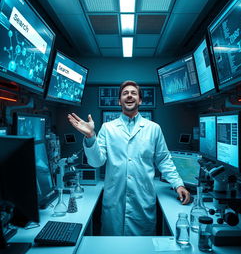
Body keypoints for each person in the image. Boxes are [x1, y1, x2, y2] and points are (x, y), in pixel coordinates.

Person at [68, 80, 190, 236]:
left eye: (134, 93)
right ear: (119, 101)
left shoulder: (153, 129)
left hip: (143, 201)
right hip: (114, 202)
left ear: (140, 100)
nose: (129, 96)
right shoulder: (108, 128)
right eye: (125, 93)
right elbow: (96, 161)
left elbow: (164, 160)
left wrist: (178, 185)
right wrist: (90, 136)